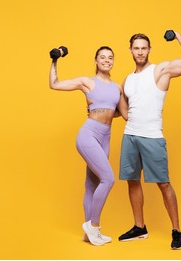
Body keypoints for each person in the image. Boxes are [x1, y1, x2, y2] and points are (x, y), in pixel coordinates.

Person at [118, 31, 181, 249]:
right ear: (130, 50)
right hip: (130, 135)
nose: (140, 52)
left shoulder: (160, 70)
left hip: (152, 137)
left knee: (163, 184)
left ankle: (176, 230)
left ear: (149, 50)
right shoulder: (128, 80)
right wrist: (97, 111)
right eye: (136, 48)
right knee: (132, 180)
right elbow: (125, 111)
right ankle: (139, 227)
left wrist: (179, 37)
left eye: (144, 48)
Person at [49, 46, 128, 246]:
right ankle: (94, 226)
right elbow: (55, 84)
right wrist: (55, 60)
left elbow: (123, 114)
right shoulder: (87, 82)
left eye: (110, 57)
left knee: (92, 184)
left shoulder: (117, 87)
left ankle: (88, 234)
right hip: (89, 134)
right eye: (102, 57)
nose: (107, 60)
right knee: (108, 179)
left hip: (106, 136)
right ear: (96, 60)